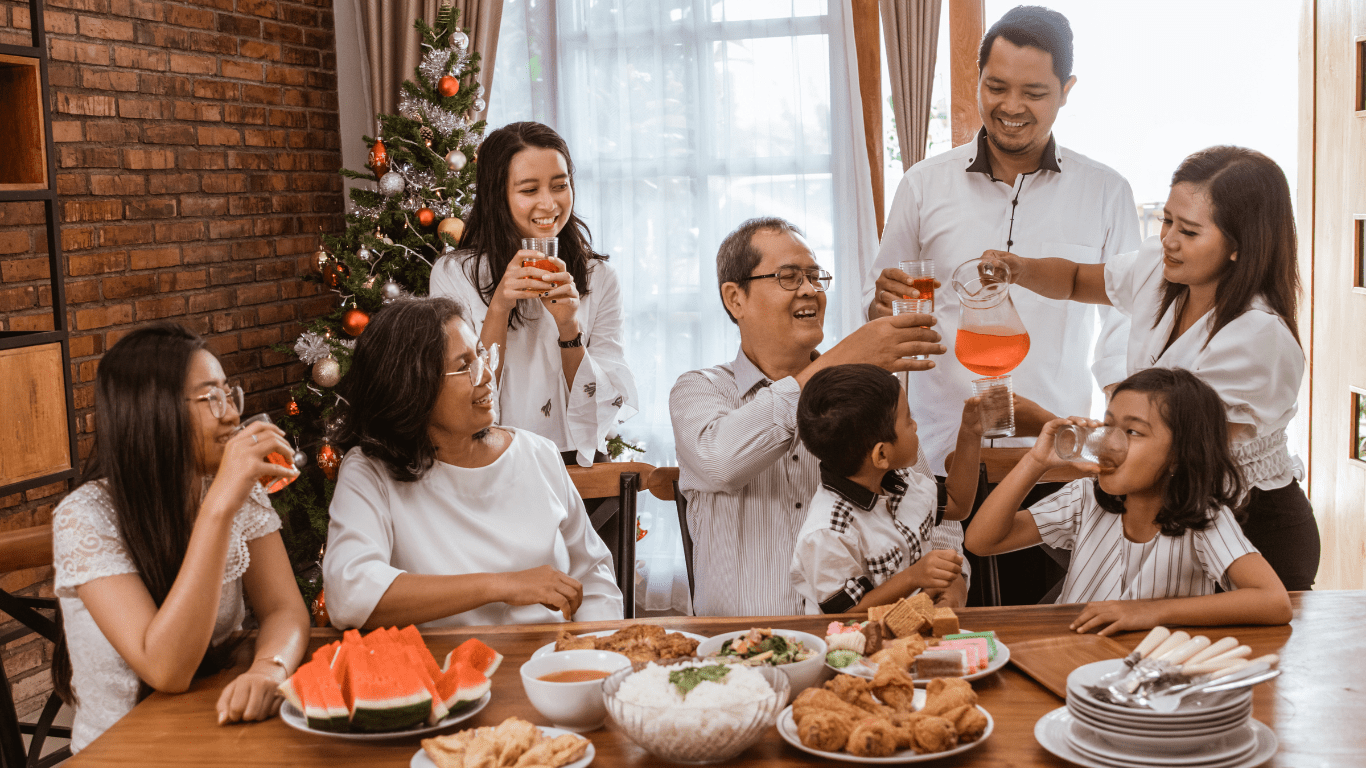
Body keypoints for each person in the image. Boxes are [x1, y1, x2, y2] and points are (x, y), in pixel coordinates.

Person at [865, 5, 1141, 604]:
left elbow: (1126, 328)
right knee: (937, 632)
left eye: (1034, 92)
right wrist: (879, 305)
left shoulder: (1106, 191)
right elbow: (879, 309)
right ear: (977, 78)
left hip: (1049, 462)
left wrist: (1121, 437)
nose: (1010, 105)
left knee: (1041, 627)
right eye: (996, 86)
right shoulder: (922, 184)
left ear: (1066, 92)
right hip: (933, 461)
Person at [980, 145, 1318, 591]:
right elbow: (1078, 280)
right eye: (1167, 220)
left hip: (1247, 527)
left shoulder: (1257, 337)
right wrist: (1020, 269)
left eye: (1190, 231)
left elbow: (1172, 451)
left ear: (1240, 246)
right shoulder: (1161, 272)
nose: (1169, 240)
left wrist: (1046, 424)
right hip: (1172, 509)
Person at [670, 216, 967, 617]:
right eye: (789, 277)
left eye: (814, 276)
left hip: (860, 649)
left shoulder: (861, 394)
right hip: (743, 652)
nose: (810, 290)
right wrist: (842, 358)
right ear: (734, 298)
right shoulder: (699, 390)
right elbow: (720, 462)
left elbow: (935, 517)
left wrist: (953, 586)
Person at [50, 324, 309, 752]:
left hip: (217, 732)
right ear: (152, 411)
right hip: (125, 752)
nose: (231, 413)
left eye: (229, 393)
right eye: (211, 398)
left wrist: (268, 669)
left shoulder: (230, 492)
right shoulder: (86, 516)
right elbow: (166, 669)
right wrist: (218, 508)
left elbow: (284, 608)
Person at [322, 297, 623, 629]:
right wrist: (501, 585)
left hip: (548, 663)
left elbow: (593, 576)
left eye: (481, 354)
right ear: (413, 386)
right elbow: (348, 596)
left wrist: (593, 655)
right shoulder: (368, 471)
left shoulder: (538, 454)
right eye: (465, 365)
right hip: (435, 671)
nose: (486, 375)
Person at [964, 368, 1292, 635]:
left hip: (1146, 677)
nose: (1111, 442)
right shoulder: (1085, 498)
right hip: (1067, 656)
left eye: (1133, 432)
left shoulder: (1203, 519)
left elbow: (1274, 601)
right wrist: (1037, 461)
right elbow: (981, 541)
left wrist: (1149, 612)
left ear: (1180, 455)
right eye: (1108, 426)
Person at [429, 121, 636, 468]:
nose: (549, 203)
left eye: (560, 186)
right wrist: (499, 308)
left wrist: (569, 327)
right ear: (498, 195)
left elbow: (602, 407)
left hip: (578, 467)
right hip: (490, 463)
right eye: (528, 190)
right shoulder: (455, 274)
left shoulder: (598, 278)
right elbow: (459, 396)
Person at [790, 364, 983, 614]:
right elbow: (845, 614)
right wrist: (914, 577)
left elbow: (958, 504)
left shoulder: (902, 481)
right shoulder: (829, 532)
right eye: (907, 420)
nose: (914, 426)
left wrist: (970, 433)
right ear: (881, 454)